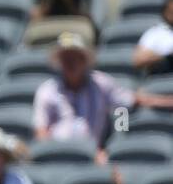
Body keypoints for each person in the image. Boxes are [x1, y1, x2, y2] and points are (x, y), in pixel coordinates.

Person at [34, 32, 173, 164]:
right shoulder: (47, 90)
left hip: (92, 155)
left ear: (83, 60)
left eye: (73, 58)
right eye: (65, 59)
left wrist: (166, 101)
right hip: (56, 154)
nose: (69, 63)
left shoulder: (101, 83)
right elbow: (41, 132)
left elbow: (126, 104)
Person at [133, 0, 173, 76]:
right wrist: (167, 56)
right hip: (162, 77)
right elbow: (138, 60)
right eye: (171, 11)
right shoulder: (154, 33)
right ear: (164, 12)